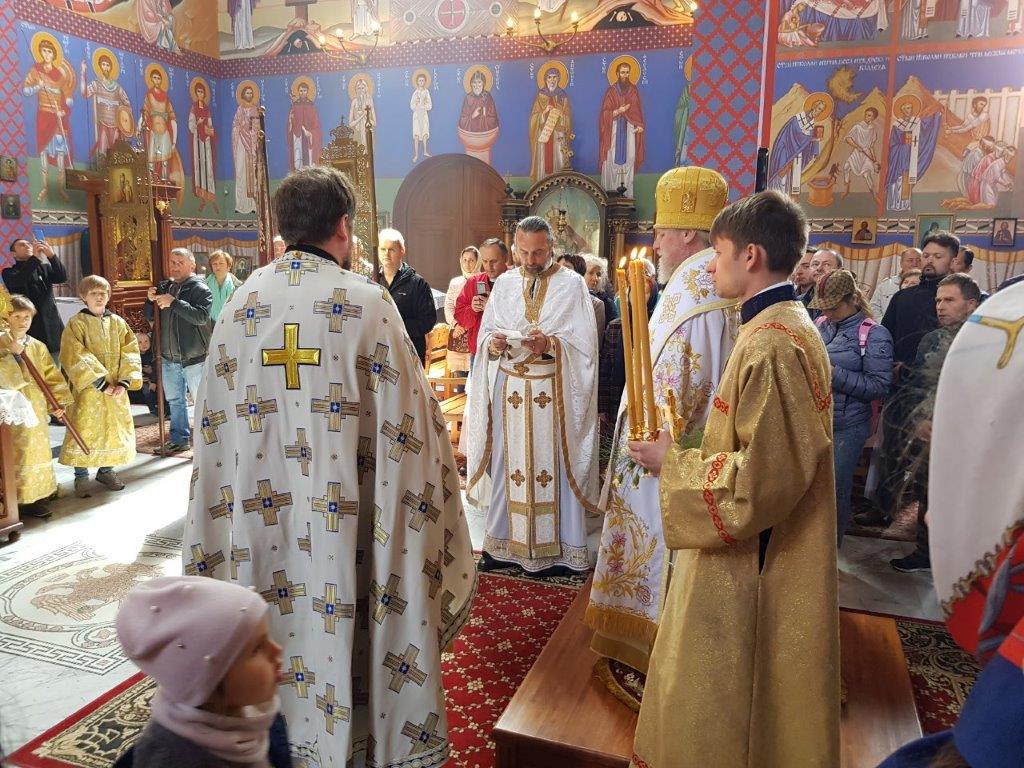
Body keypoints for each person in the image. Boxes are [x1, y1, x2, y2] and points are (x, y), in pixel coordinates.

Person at [185, 165, 475, 767]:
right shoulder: (367, 305)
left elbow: (212, 431)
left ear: (283, 227)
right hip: (348, 530)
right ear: (344, 226)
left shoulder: (241, 304)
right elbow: (415, 433)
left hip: (261, 525)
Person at [627, 190, 840, 768]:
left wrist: (673, 462)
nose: (710, 267)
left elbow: (762, 483)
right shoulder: (777, 326)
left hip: (756, 563)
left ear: (750, 256)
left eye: (718, 253)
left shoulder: (772, 344)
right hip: (762, 545)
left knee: (723, 695)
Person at [588, 167, 738, 682]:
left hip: (665, 454)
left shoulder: (693, 294)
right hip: (681, 447)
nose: (655, 242)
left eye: (662, 232)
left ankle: (659, 650)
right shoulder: (702, 285)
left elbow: (677, 375)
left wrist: (659, 443)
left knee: (657, 553)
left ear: (689, 233)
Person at [466, 216, 599, 576]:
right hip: (510, 390)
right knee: (507, 466)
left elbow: (585, 345)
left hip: (552, 392)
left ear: (551, 247)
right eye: (523, 253)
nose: (530, 260)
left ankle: (564, 550)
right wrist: (493, 344)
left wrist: (550, 344)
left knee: (553, 465)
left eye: (538, 252)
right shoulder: (505, 284)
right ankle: (502, 545)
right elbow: (487, 334)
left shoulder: (572, 285)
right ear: (515, 249)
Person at [114, 576, 291, 768]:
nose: (277, 650)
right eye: (257, 649)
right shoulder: (174, 760)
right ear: (209, 683)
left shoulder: (258, 713)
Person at [890, 273, 981, 573]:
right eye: (938, 300)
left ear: (971, 303)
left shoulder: (989, 341)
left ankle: (965, 559)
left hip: (971, 437)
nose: (940, 306)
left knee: (967, 498)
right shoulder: (931, 339)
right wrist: (919, 420)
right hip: (932, 436)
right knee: (927, 492)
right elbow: (916, 386)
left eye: (949, 300)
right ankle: (925, 553)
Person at [810, 269, 893, 545]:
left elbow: (879, 386)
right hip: (815, 419)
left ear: (853, 300)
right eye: (824, 308)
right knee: (808, 486)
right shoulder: (821, 324)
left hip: (848, 425)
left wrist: (834, 374)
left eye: (833, 307)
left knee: (835, 488)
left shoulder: (874, 334)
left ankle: (831, 548)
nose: (828, 313)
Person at [58, 275, 141, 498]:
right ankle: (81, 476)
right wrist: (100, 383)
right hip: (88, 391)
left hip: (116, 389)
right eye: (93, 293)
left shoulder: (118, 322)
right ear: (83, 296)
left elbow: (130, 351)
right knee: (84, 429)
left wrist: (124, 382)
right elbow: (74, 354)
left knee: (112, 430)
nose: (99, 297)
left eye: (103, 293)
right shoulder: (77, 323)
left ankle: (106, 471)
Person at [0, 295, 72, 518]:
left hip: (37, 408)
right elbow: (6, 377)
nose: (23, 321)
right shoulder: (2, 344)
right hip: (11, 411)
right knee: (16, 453)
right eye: (17, 316)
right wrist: (14, 355)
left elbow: (51, 376)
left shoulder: (37, 345)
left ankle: (38, 494)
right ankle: (16, 499)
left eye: (27, 317)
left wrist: (58, 404)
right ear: (6, 318)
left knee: (37, 450)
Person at [144, 247, 213, 455]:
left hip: (194, 358)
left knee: (202, 402)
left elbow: (201, 317)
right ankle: (179, 439)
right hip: (168, 356)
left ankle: (207, 443)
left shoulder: (200, 289)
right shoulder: (165, 286)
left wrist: (174, 303)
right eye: (172, 262)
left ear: (192, 265)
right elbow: (150, 316)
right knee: (175, 401)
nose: (175, 267)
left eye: (180, 263)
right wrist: (149, 300)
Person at [882, 231, 958, 366]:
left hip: (939, 372)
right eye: (926, 255)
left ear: (952, 262)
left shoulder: (960, 299)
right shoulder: (901, 296)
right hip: (899, 373)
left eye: (938, 256)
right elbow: (884, 337)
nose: (929, 260)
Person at [23, 35, 75, 203]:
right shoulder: (35, 70)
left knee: (60, 153)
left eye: (49, 52)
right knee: (44, 152)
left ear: (54, 54)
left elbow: (68, 97)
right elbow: (25, 91)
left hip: (58, 117)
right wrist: (38, 86)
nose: (46, 54)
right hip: (43, 116)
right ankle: (45, 187)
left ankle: (60, 188)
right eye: (44, 51)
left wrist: (65, 108)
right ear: (40, 52)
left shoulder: (60, 75)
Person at [376, 228, 436, 365]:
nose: (386, 254)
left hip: (409, 353)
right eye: (383, 249)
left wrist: (397, 327)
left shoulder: (418, 283)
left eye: (391, 249)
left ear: (402, 250)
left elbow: (428, 320)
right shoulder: (372, 281)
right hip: (381, 353)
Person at [2, 238, 67, 358]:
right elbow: (20, 280)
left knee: (58, 360)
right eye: (22, 245)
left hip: (52, 324)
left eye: (29, 244)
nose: (28, 246)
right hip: (29, 325)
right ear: (13, 254)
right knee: (34, 360)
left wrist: (52, 256)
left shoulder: (44, 268)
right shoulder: (9, 272)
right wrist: (36, 258)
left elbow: (62, 277)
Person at [453, 238, 509, 362]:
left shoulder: (517, 281)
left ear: (505, 258)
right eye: (485, 261)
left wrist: (493, 306)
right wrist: (472, 309)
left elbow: (523, 317)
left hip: (508, 353)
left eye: (493, 261)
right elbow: (459, 316)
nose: (489, 267)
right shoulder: (473, 282)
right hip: (479, 351)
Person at [599, 61, 646, 197]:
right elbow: (604, 113)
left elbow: (637, 112)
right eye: (622, 72)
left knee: (630, 158)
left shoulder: (633, 90)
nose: (625, 75)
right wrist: (618, 111)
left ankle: (628, 195)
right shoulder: (611, 91)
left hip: (629, 130)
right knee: (611, 159)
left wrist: (639, 125)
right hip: (613, 129)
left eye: (627, 72)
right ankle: (609, 195)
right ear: (617, 74)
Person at [79, 49, 131, 160]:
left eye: (108, 65)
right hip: (103, 123)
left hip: (116, 126)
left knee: (116, 155)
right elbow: (84, 93)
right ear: (100, 66)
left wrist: (124, 122)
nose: (106, 67)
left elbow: (127, 105)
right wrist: (83, 73)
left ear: (111, 68)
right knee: (103, 153)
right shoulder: (96, 84)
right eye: (103, 65)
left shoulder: (117, 88)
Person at [530, 66, 573, 182]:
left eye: (555, 77)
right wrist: (543, 113)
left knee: (559, 157)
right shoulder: (541, 95)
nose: (552, 80)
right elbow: (533, 118)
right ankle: (542, 183)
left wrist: (561, 115)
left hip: (558, 133)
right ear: (545, 79)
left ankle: (560, 185)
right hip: (544, 133)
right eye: (549, 77)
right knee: (543, 159)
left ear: (558, 79)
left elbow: (567, 116)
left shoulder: (562, 95)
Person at [444, 246, 478, 375]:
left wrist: (467, 325)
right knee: (459, 376)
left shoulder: (482, 281)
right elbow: (448, 306)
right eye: (465, 260)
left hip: (475, 332)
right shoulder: (455, 282)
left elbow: (482, 306)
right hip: (457, 332)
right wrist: (456, 324)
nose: (468, 264)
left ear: (478, 261)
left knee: (475, 375)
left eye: (471, 260)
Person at [558, 253, 606, 340]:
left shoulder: (595, 304)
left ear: (579, 275)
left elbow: (594, 341)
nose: (559, 273)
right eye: (557, 269)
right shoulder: (551, 300)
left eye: (566, 269)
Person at [188, 79, 218, 213]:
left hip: (206, 139)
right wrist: (198, 123)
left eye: (202, 92)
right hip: (197, 139)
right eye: (198, 91)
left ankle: (210, 195)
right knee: (199, 165)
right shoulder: (194, 107)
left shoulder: (207, 109)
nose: (200, 94)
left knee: (208, 165)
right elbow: (190, 124)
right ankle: (202, 195)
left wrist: (209, 129)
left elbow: (210, 124)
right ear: (196, 93)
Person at [870, 246, 922, 318]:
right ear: (901, 263)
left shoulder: (927, 285)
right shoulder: (887, 284)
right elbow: (873, 307)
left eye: (919, 260)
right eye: (910, 260)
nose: (915, 264)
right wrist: (884, 322)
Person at [287, 78, 322, 171]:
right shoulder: (295, 105)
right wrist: (291, 119)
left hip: (308, 137)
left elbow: (316, 124)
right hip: (298, 136)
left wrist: (311, 133)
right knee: (299, 160)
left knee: (309, 161)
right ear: (298, 92)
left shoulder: (311, 106)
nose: (302, 93)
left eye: (304, 90)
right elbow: (292, 124)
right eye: (301, 91)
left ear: (308, 92)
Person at [205, 250, 240, 323]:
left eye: (221, 263)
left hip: (232, 322)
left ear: (228, 266)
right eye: (214, 264)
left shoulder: (239, 286)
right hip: (209, 324)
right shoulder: (204, 285)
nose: (218, 266)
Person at [583, 253, 617, 322]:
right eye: (591, 273)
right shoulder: (573, 297)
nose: (595, 278)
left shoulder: (607, 303)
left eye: (598, 274)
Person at [410, 71, 432, 163]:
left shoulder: (426, 92)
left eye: (423, 80)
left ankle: (425, 151)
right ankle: (416, 155)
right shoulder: (415, 93)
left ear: (425, 82)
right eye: (420, 81)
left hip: (424, 114)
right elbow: (411, 106)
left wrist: (424, 105)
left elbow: (430, 105)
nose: (421, 82)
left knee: (425, 133)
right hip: (416, 115)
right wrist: (416, 104)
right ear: (417, 82)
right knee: (416, 134)